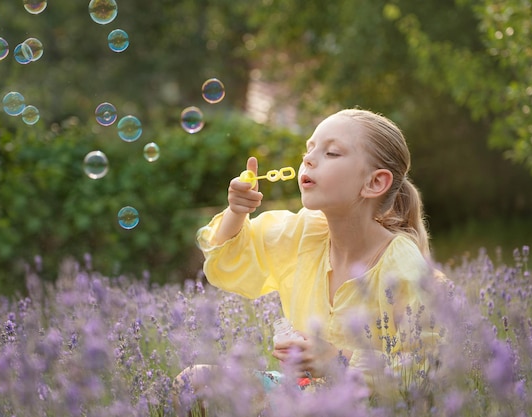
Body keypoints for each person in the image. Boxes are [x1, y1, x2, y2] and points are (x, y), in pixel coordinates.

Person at [174, 108, 445, 413]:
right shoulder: (305, 233)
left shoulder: (403, 267)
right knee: (194, 381)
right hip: (302, 392)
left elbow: (422, 371)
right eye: (309, 149)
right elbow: (225, 261)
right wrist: (237, 212)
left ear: (374, 183)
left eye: (331, 152)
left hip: (367, 406)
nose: (309, 159)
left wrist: (335, 360)